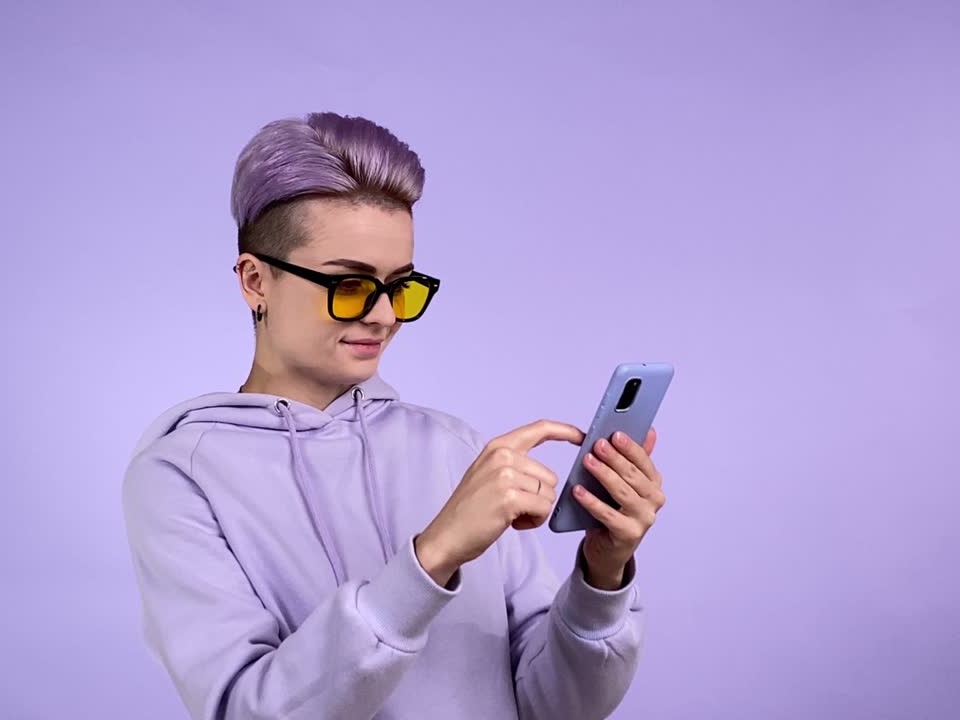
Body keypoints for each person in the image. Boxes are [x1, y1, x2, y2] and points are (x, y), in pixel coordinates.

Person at [122, 112, 668, 719]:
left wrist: (602, 572)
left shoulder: (457, 449)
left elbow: (556, 708)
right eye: (350, 286)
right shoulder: (181, 475)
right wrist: (432, 556)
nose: (384, 316)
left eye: (401, 287)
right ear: (257, 281)